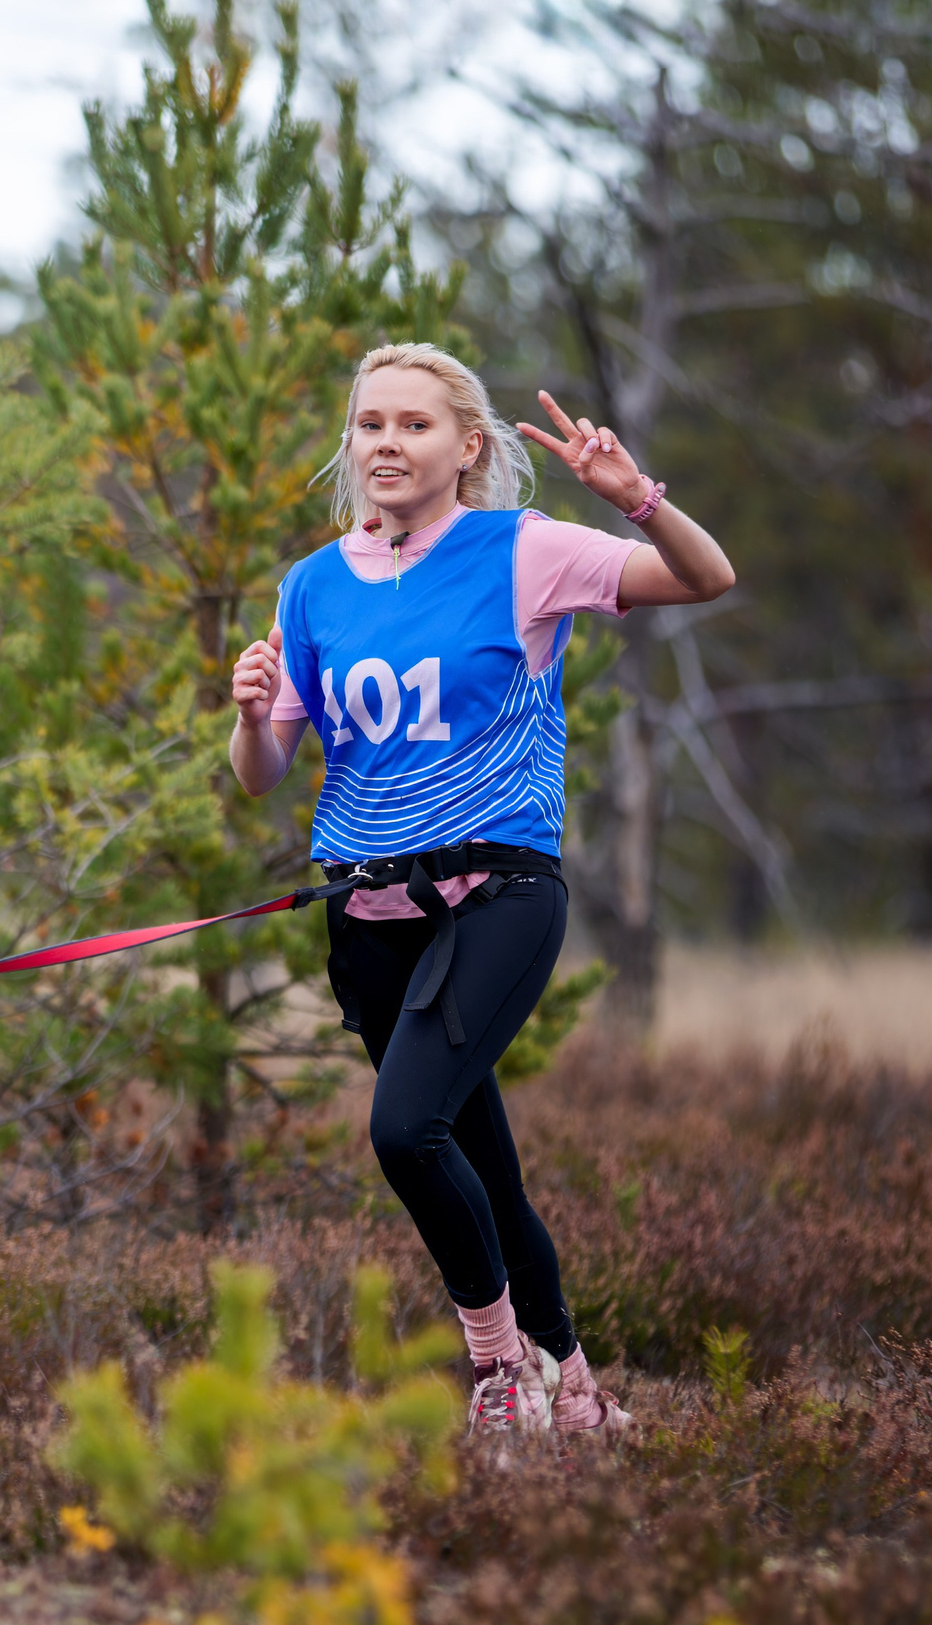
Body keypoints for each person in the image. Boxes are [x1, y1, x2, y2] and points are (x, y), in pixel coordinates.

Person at [228, 343, 735, 1437]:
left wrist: (636, 499)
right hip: (367, 918)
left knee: (405, 1130)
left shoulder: (525, 552)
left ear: (467, 448)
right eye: (370, 424)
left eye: (414, 425)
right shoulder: (310, 586)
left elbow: (706, 579)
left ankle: (499, 1370)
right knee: (483, 1170)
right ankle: (579, 1390)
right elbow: (266, 771)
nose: (387, 445)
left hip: (497, 894)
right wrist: (248, 710)